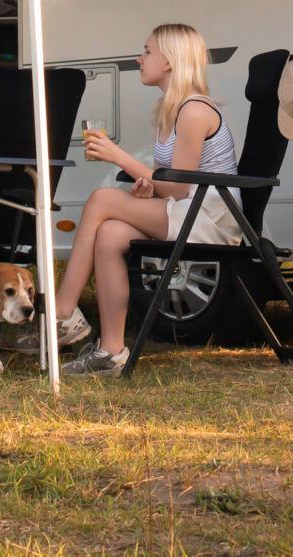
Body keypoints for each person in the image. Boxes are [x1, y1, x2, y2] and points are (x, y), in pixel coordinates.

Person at [52, 23, 242, 377]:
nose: (140, 59)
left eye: (147, 51)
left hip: (210, 217)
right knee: (109, 234)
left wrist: (118, 156)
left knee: (101, 199)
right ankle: (111, 351)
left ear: (170, 61)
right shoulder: (170, 110)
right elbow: (166, 184)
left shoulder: (195, 111)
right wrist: (147, 188)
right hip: (187, 209)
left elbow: (179, 187)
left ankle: (64, 312)